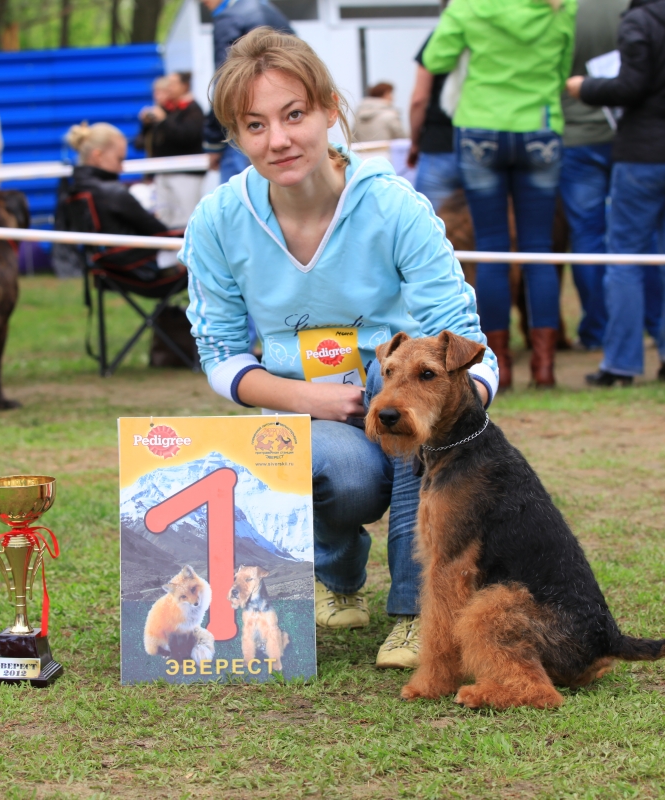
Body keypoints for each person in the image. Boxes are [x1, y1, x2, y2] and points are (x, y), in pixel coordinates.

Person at [180, 28, 497, 670]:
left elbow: (466, 338)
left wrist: (457, 414)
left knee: (421, 441)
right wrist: (308, 398)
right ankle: (337, 578)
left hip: (411, 404)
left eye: (294, 114)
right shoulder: (216, 222)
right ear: (236, 137)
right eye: (255, 124)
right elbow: (217, 352)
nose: (279, 140)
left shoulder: (396, 208)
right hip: (312, 416)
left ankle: (416, 616)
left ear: (329, 109)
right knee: (334, 471)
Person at [422, 0, 576, 390]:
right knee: (539, 250)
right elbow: (562, 68)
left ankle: (499, 366)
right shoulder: (561, 5)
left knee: (490, 250)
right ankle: (544, 367)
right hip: (540, 125)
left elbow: (437, 58)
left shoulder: (467, 6)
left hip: (479, 128)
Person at [568, 0, 665, 386]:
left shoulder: (639, 21)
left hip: (643, 153)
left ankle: (621, 364)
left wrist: (586, 87)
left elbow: (631, 85)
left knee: (624, 258)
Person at [558, 0, 626, 351]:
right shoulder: (627, 7)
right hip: (628, 134)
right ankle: (645, 322)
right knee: (636, 239)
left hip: (575, 138)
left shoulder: (558, 8)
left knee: (587, 236)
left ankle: (598, 329)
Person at [199, 0, 293, 184]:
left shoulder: (229, 17)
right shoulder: (271, 11)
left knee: (239, 203)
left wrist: (214, 142)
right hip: (287, 118)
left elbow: (224, 83)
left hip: (246, 124)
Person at [65, 122, 169, 271]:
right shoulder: (113, 193)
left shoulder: (74, 191)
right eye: (119, 159)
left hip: (105, 267)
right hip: (142, 269)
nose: (122, 168)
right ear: (98, 156)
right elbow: (161, 232)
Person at [136, 72, 206, 229]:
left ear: (185, 86)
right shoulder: (167, 110)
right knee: (164, 217)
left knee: (187, 218)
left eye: (173, 83)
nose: (169, 87)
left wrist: (163, 121)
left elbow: (187, 137)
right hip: (162, 171)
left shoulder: (193, 110)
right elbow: (142, 143)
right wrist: (146, 124)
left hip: (186, 172)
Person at [407, 34, 460, 212]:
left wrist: (415, 143)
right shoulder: (491, 35)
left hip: (438, 145)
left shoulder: (440, 37)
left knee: (432, 227)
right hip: (480, 144)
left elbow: (419, 100)